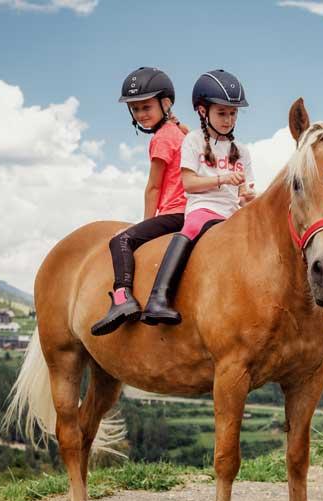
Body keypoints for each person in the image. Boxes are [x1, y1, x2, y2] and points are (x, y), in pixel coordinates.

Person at [139, 69, 256, 326]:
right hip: (204, 208)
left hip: (232, 213)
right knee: (191, 227)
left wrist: (249, 197)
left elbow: (245, 194)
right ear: (204, 112)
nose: (228, 120)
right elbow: (189, 183)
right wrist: (222, 179)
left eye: (233, 113)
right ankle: (158, 298)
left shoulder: (243, 151)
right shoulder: (192, 141)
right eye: (221, 113)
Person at [90, 67, 189, 336]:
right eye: (135, 109)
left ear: (165, 104)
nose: (141, 114)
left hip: (174, 213)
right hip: (190, 211)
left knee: (120, 240)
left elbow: (153, 186)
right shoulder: (180, 133)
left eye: (146, 107)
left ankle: (123, 299)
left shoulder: (161, 139)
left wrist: (147, 224)